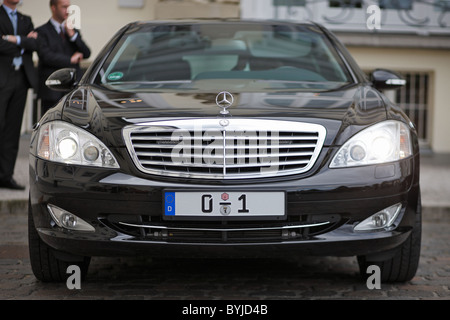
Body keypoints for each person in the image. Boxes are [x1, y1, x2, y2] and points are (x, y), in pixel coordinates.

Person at [0, 0, 38, 190]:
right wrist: (24, 41)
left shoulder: (26, 19)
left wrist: (11, 39)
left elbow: (36, 43)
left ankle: (6, 176)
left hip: (21, 79)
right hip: (2, 79)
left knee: (13, 131)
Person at [36, 0, 91, 116]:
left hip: (72, 90)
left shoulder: (72, 30)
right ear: (53, 8)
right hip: (52, 90)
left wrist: (72, 36)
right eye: (64, 7)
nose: (68, 10)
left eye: (69, 7)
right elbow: (46, 56)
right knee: (50, 125)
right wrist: (71, 59)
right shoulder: (42, 31)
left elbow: (86, 53)